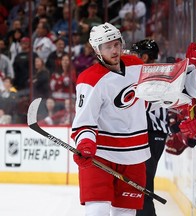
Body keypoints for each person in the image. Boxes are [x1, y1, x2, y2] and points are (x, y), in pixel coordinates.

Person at [71, 22, 150, 216]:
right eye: (108, 47)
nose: (114, 50)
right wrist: (86, 143)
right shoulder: (89, 79)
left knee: (125, 212)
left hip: (134, 154)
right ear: (97, 50)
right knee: (97, 210)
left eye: (116, 44)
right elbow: (84, 121)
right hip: (101, 155)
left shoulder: (137, 66)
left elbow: (154, 94)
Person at [130, 39, 169, 216]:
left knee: (143, 187)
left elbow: (140, 106)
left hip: (152, 135)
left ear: (144, 57)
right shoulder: (151, 73)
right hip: (151, 134)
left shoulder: (152, 76)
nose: (130, 58)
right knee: (141, 185)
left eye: (135, 55)